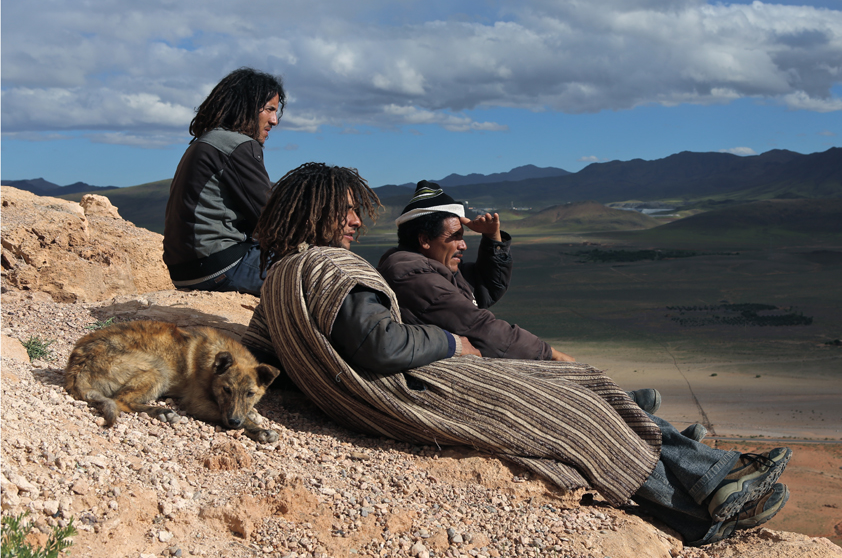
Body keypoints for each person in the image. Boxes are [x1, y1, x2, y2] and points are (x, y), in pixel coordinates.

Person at [242, 162, 792, 547]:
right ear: (313, 211)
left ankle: (703, 493)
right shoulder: (335, 267)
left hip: (363, 395)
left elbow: (277, 349)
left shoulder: (283, 276)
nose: (358, 222)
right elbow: (381, 344)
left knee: (576, 398)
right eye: (345, 212)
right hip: (406, 390)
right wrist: (449, 343)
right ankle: (711, 491)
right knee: (571, 411)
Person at [377, 181, 575, 361]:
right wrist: (551, 355)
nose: (463, 245)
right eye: (455, 236)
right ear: (425, 240)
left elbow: (486, 287)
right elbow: (478, 327)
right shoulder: (413, 276)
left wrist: (492, 238)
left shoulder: (437, 271)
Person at [162, 67, 286, 296]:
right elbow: (269, 215)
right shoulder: (238, 145)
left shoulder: (206, 142)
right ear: (247, 107)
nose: (274, 120)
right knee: (317, 276)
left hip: (186, 271)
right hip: (221, 267)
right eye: (269, 109)